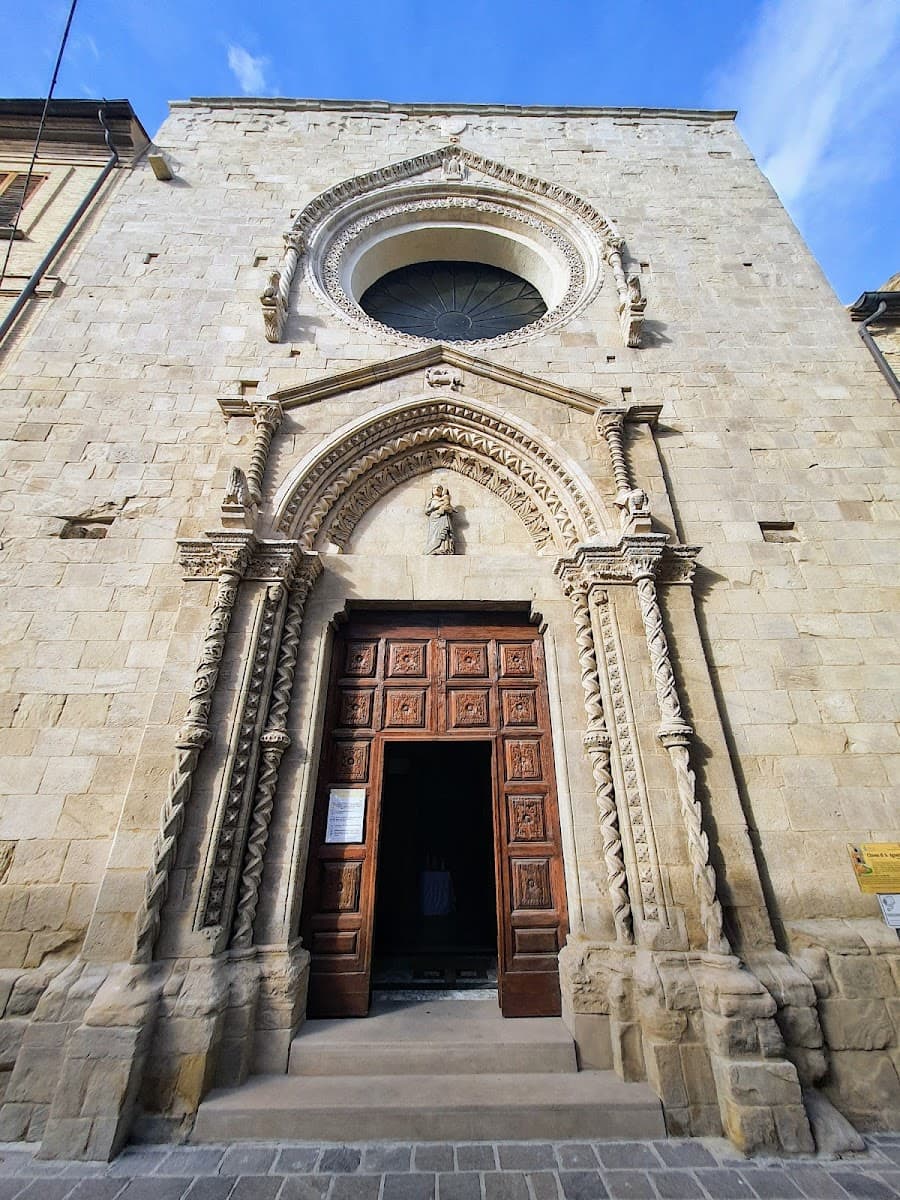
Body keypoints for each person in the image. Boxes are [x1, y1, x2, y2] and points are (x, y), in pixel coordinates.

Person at [424, 484, 455, 555]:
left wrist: (446, 507)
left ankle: (443, 548)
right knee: (434, 534)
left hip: (443, 517)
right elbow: (426, 511)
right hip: (434, 518)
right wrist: (434, 507)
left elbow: (450, 510)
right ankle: (432, 548)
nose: (437, 489)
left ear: (442, 491)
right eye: (434, 488)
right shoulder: (431, 500)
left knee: (444, 532)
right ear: (432, 490)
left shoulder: (445, 499)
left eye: (439, 488)